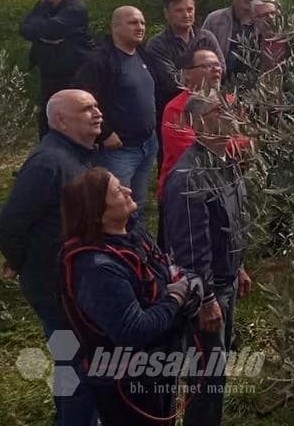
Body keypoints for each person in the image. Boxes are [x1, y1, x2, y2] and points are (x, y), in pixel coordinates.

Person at [0, 89, 103, 426]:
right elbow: (8, 222)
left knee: (74, 362)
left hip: (73, 283)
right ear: (60, 120)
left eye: (97, 106)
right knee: (75, 364)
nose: (98, 112)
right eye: (87, 109)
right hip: (55, 287)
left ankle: (70, 416)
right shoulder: (49, 163)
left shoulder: (79, 154)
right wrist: (22, 261)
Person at [59, 167, 203, 425]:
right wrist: (175, 300)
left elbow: (161, 269)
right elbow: (134, 329)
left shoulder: (132, 234)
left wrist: (184, 280)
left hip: (156, 367)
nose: (128, 191)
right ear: (97, 213)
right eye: (117, 191)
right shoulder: (97, 269)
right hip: (127, 382)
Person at [162, 93, 252, 426]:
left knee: (217, 369)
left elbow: (231, 224)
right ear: (198, 122)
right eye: (220, 110)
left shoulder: (225, 161)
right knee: (205, 376)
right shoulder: (190, 176)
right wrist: (206, 300)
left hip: (225, 283)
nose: (231, 113)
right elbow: (189, 247)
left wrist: (238, 265)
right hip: (208, 296)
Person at [73, 7, 170, 217]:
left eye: (142, 23)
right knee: (115, 208)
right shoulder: (99, 60)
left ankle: (134, 245)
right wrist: (104, 133)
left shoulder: (143, 55)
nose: (140, 27)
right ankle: (112, 246)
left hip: (147, 144)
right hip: (118, 150)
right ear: (116, 26)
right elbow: (83, 99)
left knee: (137, 204)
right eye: (133, 22)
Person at [159, 48, 250, 198]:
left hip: (228, 182)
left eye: (218, 64)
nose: (216, 69)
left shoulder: (230, 101)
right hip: (189, 188)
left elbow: (248, 137)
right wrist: (235, 144)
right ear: (187, 73)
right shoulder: (176, 109)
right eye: (207, 65)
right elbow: (195, 149)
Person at [19, 0, 93, 137]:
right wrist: (48, 35)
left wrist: (44, 34)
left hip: (72, 74)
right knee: (47, 117)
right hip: (48, 74)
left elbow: (53, 29)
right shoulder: (43, 5)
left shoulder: (75, 8)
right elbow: (24, 27)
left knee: (72, 116)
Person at [145, 0, 223, 98]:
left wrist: (193, 73)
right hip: (174, 105)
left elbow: (221, 69)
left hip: (210, 101)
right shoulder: (157, 44)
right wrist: (204, 73)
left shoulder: (207, 37)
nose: (186, 15)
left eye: (190, 9)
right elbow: (171, 81)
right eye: (179, 10)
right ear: (166, 14)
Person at [200, 0, 259, 80]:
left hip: (254, 83)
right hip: (221, 81)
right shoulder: (215, 19)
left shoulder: (262, 19)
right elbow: (201, 48)